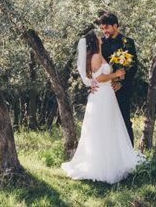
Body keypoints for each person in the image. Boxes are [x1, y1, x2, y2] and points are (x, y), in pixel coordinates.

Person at [61, 30, 142, 183]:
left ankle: (112, 160)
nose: (101, 37)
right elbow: (100, 78)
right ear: (94, 41)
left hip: (107, 95)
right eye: (97, 36)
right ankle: (102, 165)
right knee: (103, 128)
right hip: (102, 96)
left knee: (109, 127)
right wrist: (116, 74)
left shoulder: (99, 54)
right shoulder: (96, 56)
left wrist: (119, 74)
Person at [98, 11, 138, 145]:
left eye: (107, 28)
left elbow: (133, 68)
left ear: (115, 26)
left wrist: (121, 84)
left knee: (124, 121)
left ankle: (129, 155)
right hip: (105, 88)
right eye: (102, 28)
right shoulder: (100, 43)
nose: (104, 31)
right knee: (105, 122)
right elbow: (95, 66)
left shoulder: (128, 42)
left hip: (122, 89)